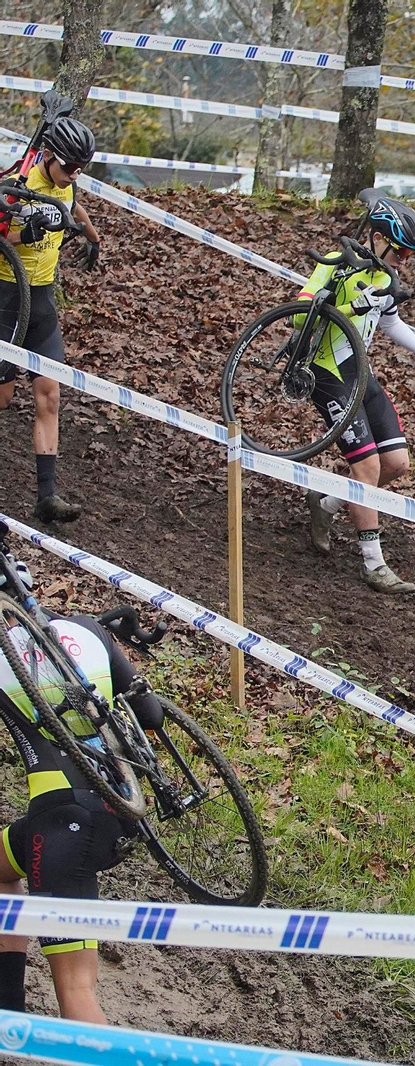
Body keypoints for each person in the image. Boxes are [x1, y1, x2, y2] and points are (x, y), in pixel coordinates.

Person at [0, 547, 162, 1023]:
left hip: (60, 827)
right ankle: (7, 1016)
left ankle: (86, 1049)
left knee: (76, 987)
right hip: (116, 812)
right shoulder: (89, 629)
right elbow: (151, 715)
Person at [301, 190, 415, 594]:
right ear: (376, 237)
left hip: (360, 373)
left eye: (410, 255)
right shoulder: (337, 265)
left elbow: (390, 323)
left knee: (396, 464)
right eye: (400, 251)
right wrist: (349, 307)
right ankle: (373, 564)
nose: (404, 260)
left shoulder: (384, 277)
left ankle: (325, 503)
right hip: (327, 373)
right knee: (367, 468)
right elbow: (301, 314)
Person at [0, 116, 103, 524]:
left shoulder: (68, 181)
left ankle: (46, 498)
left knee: (50, 395)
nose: (75, 174)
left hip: (41, 301)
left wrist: (93, 238)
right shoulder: (18, 181)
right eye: (70, 166)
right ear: (47, 155)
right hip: (7, 297)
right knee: (3, 397)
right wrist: (24, 235)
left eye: (82, 168)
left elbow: (74, 204)